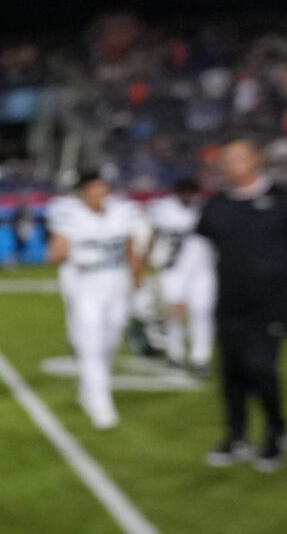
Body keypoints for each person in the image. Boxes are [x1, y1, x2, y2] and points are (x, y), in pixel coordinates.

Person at [194, 138, 287, 471]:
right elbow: (197, 250)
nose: (232, 164)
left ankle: (275, 431)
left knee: (261, 368)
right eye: (227, 159)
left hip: (271, 301)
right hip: (229, 301)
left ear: (257, 160)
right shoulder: (216, 205)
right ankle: (235, 436)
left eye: (239, 157)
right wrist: (180, 295)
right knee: (232, 373)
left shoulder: (285, 199)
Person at [47, 172, 145, 430]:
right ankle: (101, 403)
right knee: (90, 343)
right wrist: (78, 254)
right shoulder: (70, 214)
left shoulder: (122, 211)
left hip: (117, 285)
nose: (100, 194)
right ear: (82, 192)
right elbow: (55, 254)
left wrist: (138, 278)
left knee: (110, 341)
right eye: (94, 189)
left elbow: (132, 246)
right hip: (86, 287)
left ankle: (89, 388)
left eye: (103, 189)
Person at [148, 178, 216, 374]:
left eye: (191, 193)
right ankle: (175, 353)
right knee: (175, 313)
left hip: (203, 269)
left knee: (202, 312)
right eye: (184, 192)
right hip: (173, 269)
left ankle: (200, 357)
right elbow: (152, 233)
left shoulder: (207, 208)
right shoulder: (162, 209)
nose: (188, 197)